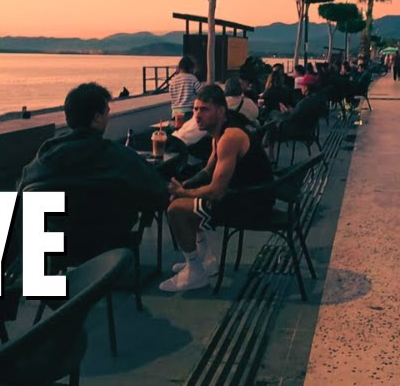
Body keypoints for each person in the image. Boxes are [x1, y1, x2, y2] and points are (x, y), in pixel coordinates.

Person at [18, 83, 167, 263]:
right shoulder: (121, 158)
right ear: (97, 117)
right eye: (106, 112)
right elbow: (157, 194)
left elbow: (22, 198)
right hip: (110, 247)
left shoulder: (42, 161)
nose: (108, 117)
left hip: (55, 247)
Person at [162, 84, 274, 292]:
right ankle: (205, 260)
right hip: (247, 195)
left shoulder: (230, 137)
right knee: (182, 201)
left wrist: (183, 194)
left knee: (176, 210)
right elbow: (207, 170)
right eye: (195, 109)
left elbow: (216, 191)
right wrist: (184, 185)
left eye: (204, 109)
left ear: (220, 111)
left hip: (251, 202)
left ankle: (196, 271)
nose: (197, 115)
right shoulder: (220, 131)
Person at [168, 56, 201, 130]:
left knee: (178, 132)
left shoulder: (172, 80)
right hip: (188, 112)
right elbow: (201, 92)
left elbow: (172, 95)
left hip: (175, 113)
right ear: (191, 68)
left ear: (179, 67)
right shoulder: (192, 78)